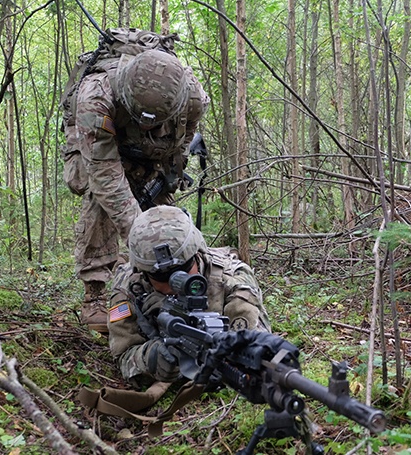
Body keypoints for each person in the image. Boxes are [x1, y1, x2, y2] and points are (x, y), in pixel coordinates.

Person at [62, 33, 208, 333]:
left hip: (154, 147)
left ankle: (164, 284)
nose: (144, 123)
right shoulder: (95, 97)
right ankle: (96, 294)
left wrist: (170, 174)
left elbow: (185, 138)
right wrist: (141, 238)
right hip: (99, 140)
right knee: (96, 193)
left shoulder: (193, 98)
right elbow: (105, 176)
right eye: (140, 118)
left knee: (159, 204)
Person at [107, 206, 271, 386]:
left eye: (182, 270)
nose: (173, 283)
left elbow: (256, 344)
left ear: (197, 253)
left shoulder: (231, 277)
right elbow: (123, 356)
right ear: (143, 272)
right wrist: (151, 358)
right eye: (161, 277)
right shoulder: (128, 289)